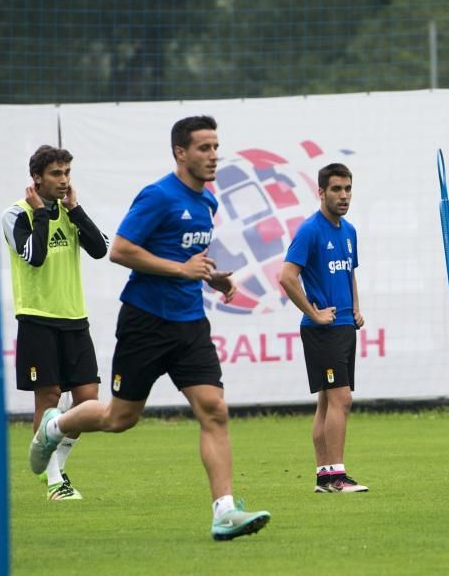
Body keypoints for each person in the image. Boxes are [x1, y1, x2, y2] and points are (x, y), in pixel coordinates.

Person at [29, 115, 271, 540]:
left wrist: (212, 277)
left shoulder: (208, 203)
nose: (213, 156)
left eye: (216, 147)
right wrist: (181, 269)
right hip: (145, 322)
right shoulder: (159, 196)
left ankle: (224, 511)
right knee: (120, 417)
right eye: (204, 148)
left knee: (214, 409)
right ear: (181, 152)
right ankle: (56, 426)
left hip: (190, 323)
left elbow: (187, 258)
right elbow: (119, 251)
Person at [2, 145, 109, 500]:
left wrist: (75, 210)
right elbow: (34, 256)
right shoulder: (16, 215)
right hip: (38, 319)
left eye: (67, 174)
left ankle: (57, 463)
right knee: (47, 399)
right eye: (56, 174)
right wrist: (41, 213)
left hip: (75, 319)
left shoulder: (70, 211)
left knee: (87, 402)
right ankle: (53, 482)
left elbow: (100, 248)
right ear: (37, 179)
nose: (64, 181)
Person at [279, 163, 368, 494]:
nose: (343, 196)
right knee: (341, 399)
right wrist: (314, 314)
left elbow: (350, 273)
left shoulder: (349, 231)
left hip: (344, 326)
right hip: (323, 330)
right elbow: (287, 276)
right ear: (320, 192)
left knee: (327, 402)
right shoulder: (310, 230)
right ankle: (337, 477)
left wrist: (356, 308)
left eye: (347, 189)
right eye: (336, 189)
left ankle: (324, 476)